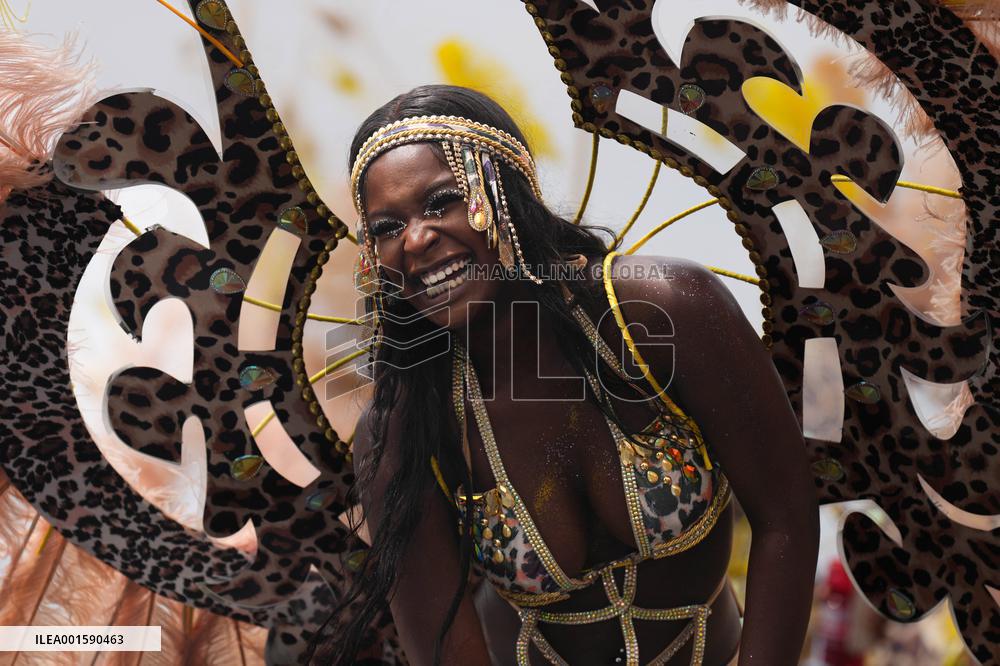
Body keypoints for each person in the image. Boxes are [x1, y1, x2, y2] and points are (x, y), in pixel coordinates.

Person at [312, 84, 819, 666]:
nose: (416, 238)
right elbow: (444, 649)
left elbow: (785, 520)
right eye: (385, 227)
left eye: (441, 201)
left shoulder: (663, 315)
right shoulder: (404, 426)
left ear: (505, 191)